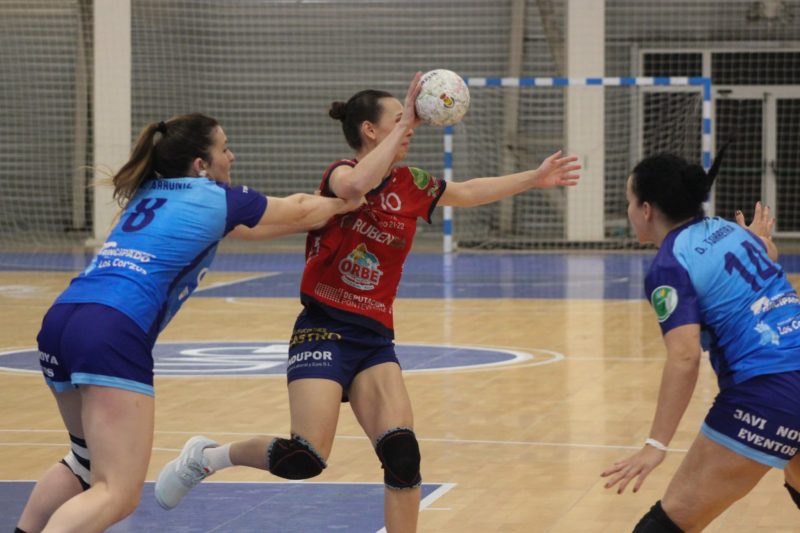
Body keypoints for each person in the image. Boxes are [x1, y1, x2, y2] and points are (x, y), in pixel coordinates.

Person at [155, 73, 580, 532]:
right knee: (304, 458)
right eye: (400, 118)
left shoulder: (413, 183)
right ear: (370, 130)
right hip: (323, 328)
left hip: (374, 338)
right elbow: (355, 185)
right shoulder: (340, 173)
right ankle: (208, 457)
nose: (411, 126)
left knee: (403, 456)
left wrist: (534, 178)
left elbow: (470, 191)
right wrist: (408, 121)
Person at [15, 112, 360, 533]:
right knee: (116, 492)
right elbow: (302, 210)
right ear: (201, 164)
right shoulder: (214, 196)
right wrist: (347, 201)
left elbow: (268, 226)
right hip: (112, 327)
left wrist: (327, 210)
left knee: (84, 464)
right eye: (224, 149)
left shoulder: (149, 192)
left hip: (62, 319)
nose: (232, 157)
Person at [601, 149, 800, 532]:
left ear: (646, 210)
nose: (628, 211)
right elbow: (767, 253)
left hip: (767, 388)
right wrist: (759, 238)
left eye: (629, 201)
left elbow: (684, 358)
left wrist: (656, 445)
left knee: (669, 523)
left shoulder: (670, 265)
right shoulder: (728, 230)